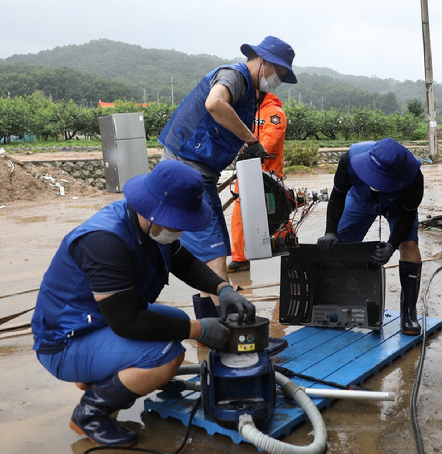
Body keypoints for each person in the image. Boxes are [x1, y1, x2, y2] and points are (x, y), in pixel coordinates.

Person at [31, 160, 255, 447]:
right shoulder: (105, 241)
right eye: (178, 222)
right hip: (64, 342)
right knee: (167, 354)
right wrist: (200, 329)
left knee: (173, 320)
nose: (181, 230)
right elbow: (127, 322)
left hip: (97, 321)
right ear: (154, 210)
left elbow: (182, 261)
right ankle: (90, 413)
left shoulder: (149, 225)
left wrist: (223, 289)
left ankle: (104, 377)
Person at [157, 35, 297, 314]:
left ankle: (211, 329)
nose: (277, 81)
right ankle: (234, 328)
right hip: (186, 170)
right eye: (278, 74)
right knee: (215, 253)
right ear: (265, 63)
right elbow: (214, 103)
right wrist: (251, 140)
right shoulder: (235, 76)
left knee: (210, 250)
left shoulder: (253, 95)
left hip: (200, 173)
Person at [317, 138, 424, 336]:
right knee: (339, 243)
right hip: (359, 199)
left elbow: (407, 215)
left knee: (409, 246)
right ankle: (340, 302)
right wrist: (330, 231)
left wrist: (392, 245)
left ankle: (409, 312)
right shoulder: (349, 159)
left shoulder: (414, 177)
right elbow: (337, 196)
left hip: (397, 206)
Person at [228, 91, 288, 273]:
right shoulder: (245, 111)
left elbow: (271, 138)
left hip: (268, 175)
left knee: (279, 212)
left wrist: (252, 152)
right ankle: (239, 258)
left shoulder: (275, 113)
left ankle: (287, 247)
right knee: (239, 212)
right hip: (247, 171)